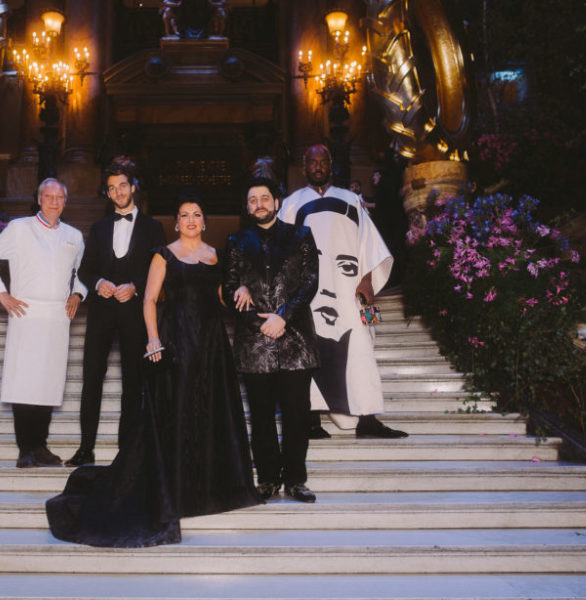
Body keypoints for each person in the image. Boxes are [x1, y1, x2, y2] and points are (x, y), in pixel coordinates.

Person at [46, 192, 260, 547]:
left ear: (204, 222)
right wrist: (152, 340)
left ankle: (208, 487)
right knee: (174, 415)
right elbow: (148, 299)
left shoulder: (216, 256)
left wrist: (240, 287)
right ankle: (174, 486)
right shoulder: (164, 255)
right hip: (176, 342)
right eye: (184, 215)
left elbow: (220, 296)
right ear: (176, 223)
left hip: (211, 344)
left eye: (196, 214)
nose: (191, 219)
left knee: (209, 412)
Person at [280, 145, 408, 440]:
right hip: (308, 292)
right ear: (304, 166)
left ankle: (368, 420)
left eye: (324, 161)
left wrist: (368, 280)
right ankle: (310, 420)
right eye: (312, 161)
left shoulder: (351, 199)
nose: (318, 166)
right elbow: (283, 250)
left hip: (353, 289)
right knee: (307, 351)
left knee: (364, 343)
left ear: (331, 165)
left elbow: (369, 243)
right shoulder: (290, 203)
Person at [0, 178, 86, 468]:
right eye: (48, 196)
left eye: (59, 197)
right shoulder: (19, 228)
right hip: (26, 313)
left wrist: (78, 293)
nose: (53, 201)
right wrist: (1, 293)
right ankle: (25, 449)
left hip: (58, 316)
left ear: (65, 201)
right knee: (25, 382)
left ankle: (41, 447)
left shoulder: (74, 235)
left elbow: (81, 272)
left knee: (48, 383)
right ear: (38, 199)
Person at [223, 176, 320, 503]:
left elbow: (310, 283)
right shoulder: (236, 241)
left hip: (295, 341)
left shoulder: (301, 235)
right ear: (247, 206)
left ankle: (296, 480)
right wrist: (255, 319)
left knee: (297, 415)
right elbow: (229, 285)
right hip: (254, 343)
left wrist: (283, 316)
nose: (259, 204)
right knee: (261, 417)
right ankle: (266, 480)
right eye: (252, 200)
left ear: (276, 202)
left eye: (264, 198)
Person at [64, 164, 167, 467]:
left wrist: (135, 286)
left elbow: (158, 268)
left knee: (134, 382)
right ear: (107, 193)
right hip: (101, 313)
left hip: (136, 312)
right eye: (112, 188)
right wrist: (98, 283)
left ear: (133, 186)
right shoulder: (98, 228)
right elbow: (85, 268)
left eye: (122, 185)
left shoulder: (153, 227)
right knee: (92, 378)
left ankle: (128, 451)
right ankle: (86, 448)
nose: (118, 192)